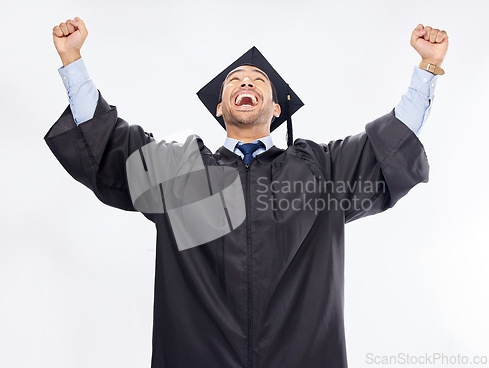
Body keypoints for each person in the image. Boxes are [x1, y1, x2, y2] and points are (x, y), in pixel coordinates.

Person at [46, 17, 448, 368]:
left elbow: (385, 145)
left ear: (276, 109)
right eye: (235, 81)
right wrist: (73, 62)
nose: (246, 83)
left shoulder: (318, 168)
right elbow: (113, 146)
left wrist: (427, 68)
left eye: (258, 81)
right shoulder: (182, 169)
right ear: (220, 107)